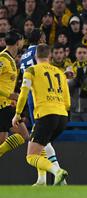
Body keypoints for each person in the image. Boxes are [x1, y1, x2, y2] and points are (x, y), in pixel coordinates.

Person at [12, 44, 70, 186]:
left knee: (31, 156)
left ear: (35, 56)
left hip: (45, 115)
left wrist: (18, 114)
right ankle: (44, 181)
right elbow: (68, 101)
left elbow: (23, 94)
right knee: (43, 145)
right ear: (50, 56)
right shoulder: (60, 72)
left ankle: (57, 171)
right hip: (62, 116)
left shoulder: (31, 70)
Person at [0, 31, 28, 161]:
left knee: (2, 141)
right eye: (22, 40)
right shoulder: (2, 59)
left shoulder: (10, 60)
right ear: (18, 42)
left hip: (6, 105)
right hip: (3, 106)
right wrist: (10, 95)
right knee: (24, 135)